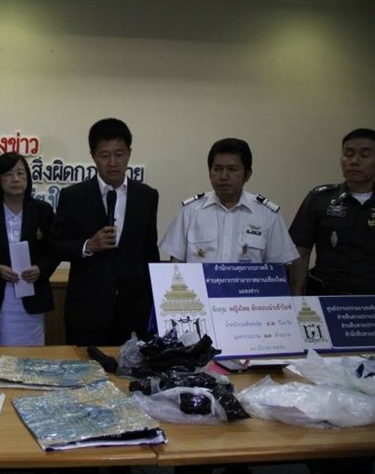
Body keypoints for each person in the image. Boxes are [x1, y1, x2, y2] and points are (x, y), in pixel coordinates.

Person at [51, 118, 160, 346]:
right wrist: (88, 246)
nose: (112, 163)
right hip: (87, 311)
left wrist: (155, 303)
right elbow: (56, 245)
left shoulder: (147, 196)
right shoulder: (73, 196)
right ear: (93, 156)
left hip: (134, 311)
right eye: (104, 155)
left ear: (129, 154)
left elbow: (150, 252)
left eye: (119, 154)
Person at [159, 138, 298, 265]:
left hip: (248, 286)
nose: (224, 176)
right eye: (217, 169)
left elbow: (277, 270)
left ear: (247, 174)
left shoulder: (268, 215)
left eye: (232, 169)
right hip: (199, 286)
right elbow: (175, 264)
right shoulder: (190, 211)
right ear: (209, 172)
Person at [0, 152, 59, 346]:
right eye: (8, 174)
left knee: (32, 354)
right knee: (1, 352)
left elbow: (54, 250)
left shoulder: (42, 211)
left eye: (20, 173)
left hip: (32, 295)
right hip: (0, 297)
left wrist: (40, 269)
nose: (16, 179)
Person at [289, 128, 375, 295]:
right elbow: (301, 251)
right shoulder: (320, 198)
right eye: (348, 154)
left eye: (365, 155)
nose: (354, 161)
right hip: (327, 295)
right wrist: (297, 297)